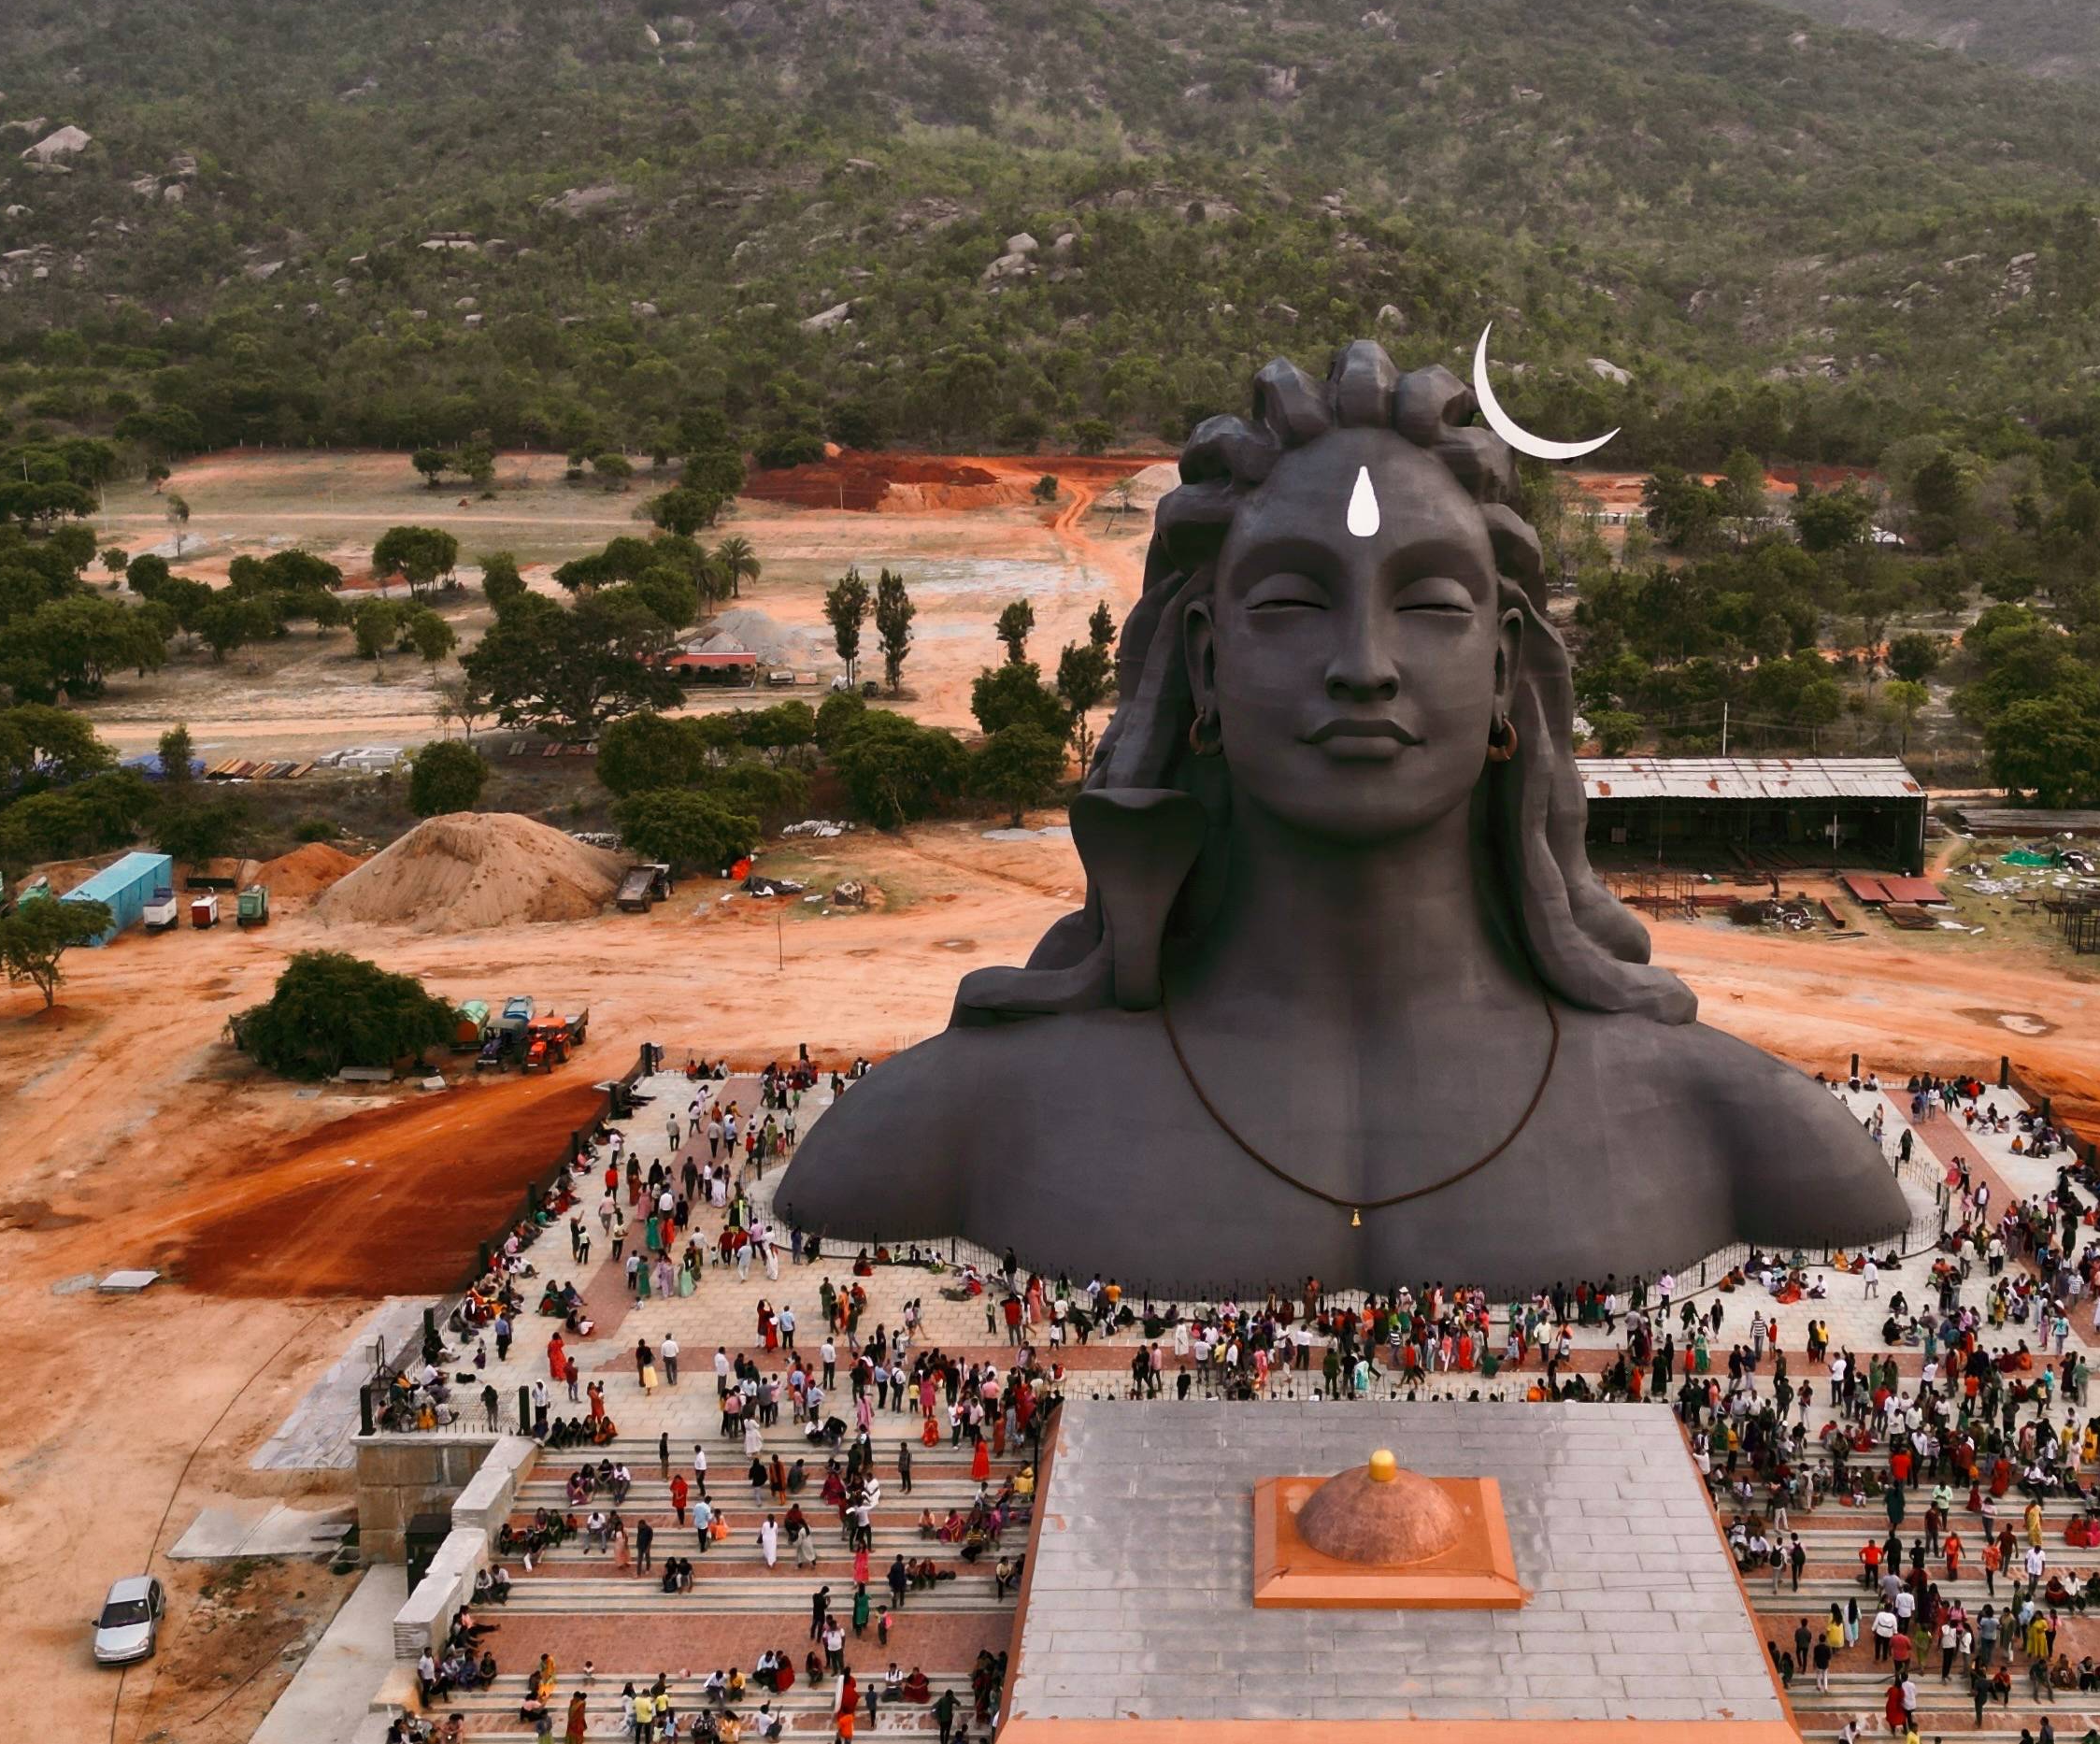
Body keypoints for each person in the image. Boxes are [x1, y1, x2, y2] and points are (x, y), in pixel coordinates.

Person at [780, 342, 1907, 1296]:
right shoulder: (953, 1122)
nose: (1363, 667)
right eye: (1289, 603)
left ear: (1508, 661)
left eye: (1427, 605)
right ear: (1206, 666)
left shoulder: (1744, 1127)